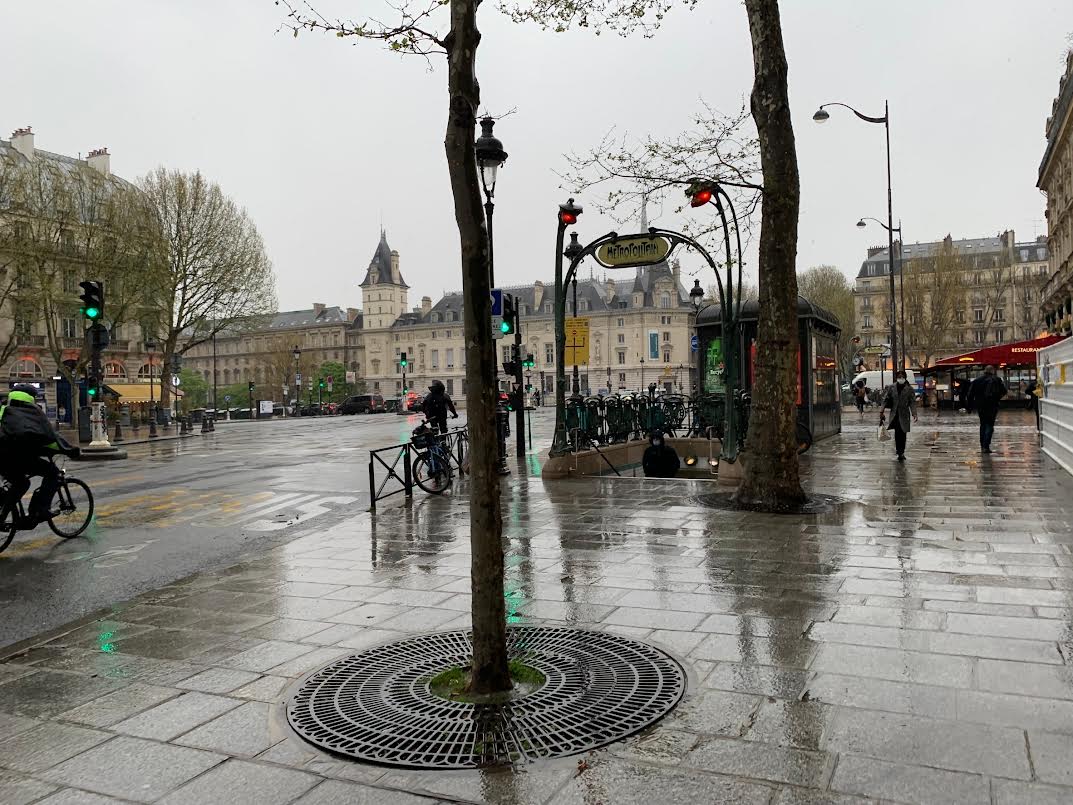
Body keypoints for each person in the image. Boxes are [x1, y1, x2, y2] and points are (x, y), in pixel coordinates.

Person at [0, 386, 79, 524]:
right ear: (31, 397)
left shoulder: (2, 410)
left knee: (19, 483)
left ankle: (5, 513)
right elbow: (49, 437)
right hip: (16, 457)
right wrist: (68, 449)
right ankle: (40, 510)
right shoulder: (32, 412)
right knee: (52, 473)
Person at [967, 365, 1007, 454]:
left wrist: (969, 407)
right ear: (992, 371)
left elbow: (970, 394)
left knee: (983, 424)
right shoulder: (997, 380)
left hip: (981, 406)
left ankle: (982, 445)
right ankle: (986, 445)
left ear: (984, 371)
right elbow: (1004, 391)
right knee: (990, 425)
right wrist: (997, 398)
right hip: (992, 405)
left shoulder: (977, 381)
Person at [880, 370, 918, 461]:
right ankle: (898, 451)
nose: (900, 378)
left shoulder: (909, 389)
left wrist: (914, 413)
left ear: (905, 378)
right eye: (899, 377)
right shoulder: (892, 387)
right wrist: (881, 410)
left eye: (902, 377)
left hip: (904, 414)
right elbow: (886, 399)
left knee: (903, 433)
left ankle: (902, 451)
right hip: (895, 414)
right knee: (897, 433)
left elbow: (912, 402)